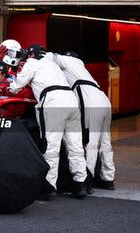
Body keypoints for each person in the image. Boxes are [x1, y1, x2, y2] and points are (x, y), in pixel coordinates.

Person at [8, 44, 88, 199]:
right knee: (75, 145)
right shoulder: (53, 63)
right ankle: (80, 184)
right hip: (71, 101)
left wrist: (10, 89)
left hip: (53, 102)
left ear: (31, 55)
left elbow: (18, 84)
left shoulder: (32, 62)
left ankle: (49, 187)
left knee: (51, 145)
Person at [51, 51, 115, 193]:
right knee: (105, 143)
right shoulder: (82, 69)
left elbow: (49, 56)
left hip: (90, 100)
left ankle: (87, 181)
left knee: (90, 143)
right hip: (103, 98)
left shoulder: (69, 62)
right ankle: (108, 179)